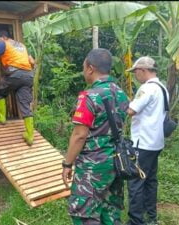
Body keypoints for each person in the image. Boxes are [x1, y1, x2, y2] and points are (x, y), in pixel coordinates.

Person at [62, 48, 129, 225]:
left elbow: (79, 135)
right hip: (116, 162)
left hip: (93, 165)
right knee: (110, 211)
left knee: (83, 213)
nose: (83, 71)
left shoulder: (89, 97)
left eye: (84, 67)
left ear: (90, 68)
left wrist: (67, 163)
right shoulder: (121, 93)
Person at [125, 56, 167, 225]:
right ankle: (151, 217)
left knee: (135, 181)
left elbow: (131, 111)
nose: (135, 75)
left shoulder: (147, 88)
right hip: (156, 142)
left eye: (135, 72)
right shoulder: (162, 87)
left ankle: (136, 221)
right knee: (150, 181)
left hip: (143, 142)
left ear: (142, 70)